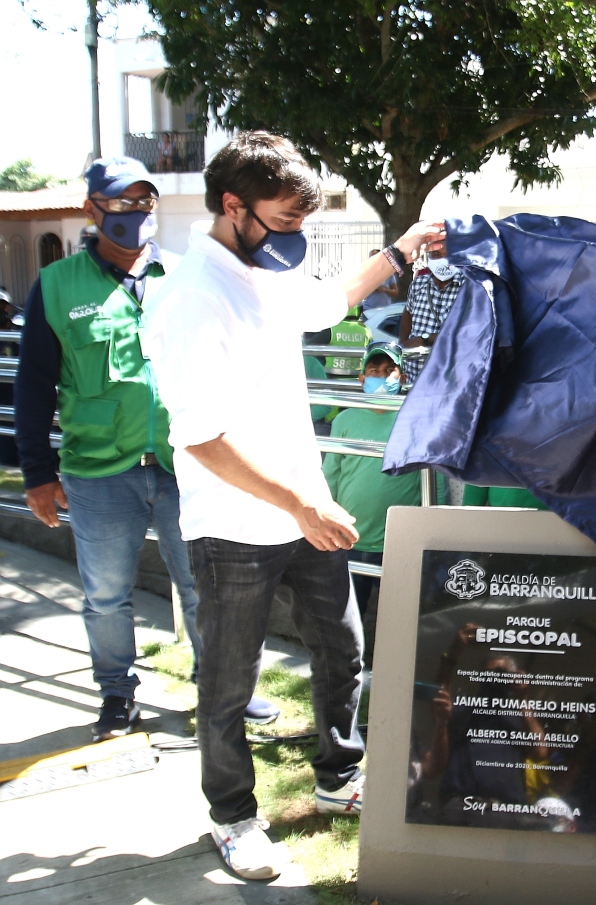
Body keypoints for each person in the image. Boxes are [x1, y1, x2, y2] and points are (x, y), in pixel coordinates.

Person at [142, 131, 440, 881]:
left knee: (342, 648)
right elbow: (201, 439)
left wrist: (398, 252)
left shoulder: (263, 267)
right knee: (229, 682)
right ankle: (234, 817)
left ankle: (340, 777)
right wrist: (301, 504)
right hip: (234, 524)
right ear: (233, 206)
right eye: (283, 223)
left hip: (306, 512)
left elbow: (328, 301)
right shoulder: (190, 298)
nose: (294, 240)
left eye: (302, 224)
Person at [13, 157, 204, 742]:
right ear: (92, 208)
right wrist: (38, 473)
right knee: (104, 596)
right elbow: (33, 384)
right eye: (121, 202)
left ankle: (221, 688)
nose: (136, 212)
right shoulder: (57, 285)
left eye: (144, 201)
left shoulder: (187, 276)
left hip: (188, 466)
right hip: (98, 470)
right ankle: (118, 694)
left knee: (204, 589)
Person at [321, 341, 423, 656]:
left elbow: (430, 480)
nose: (382, 376)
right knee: (348, 615)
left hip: (399, 540)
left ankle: (388, 675)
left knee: (398, 618)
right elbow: (331, 476)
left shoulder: (416, 419)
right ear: (362, 379)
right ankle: (351, 670)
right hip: (351, 539)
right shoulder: (345, 420)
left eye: (389, 370)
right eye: (374, 371)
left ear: (402, 377)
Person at [399, 257, 465, 384]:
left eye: (446, 254)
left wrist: (424, 339)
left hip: (449, 377)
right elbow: (408, 313)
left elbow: (467, 332)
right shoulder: (418, 284)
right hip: (413, 376)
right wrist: (404, 345)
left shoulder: (469, 288)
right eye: (436, 254)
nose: (441, 260)